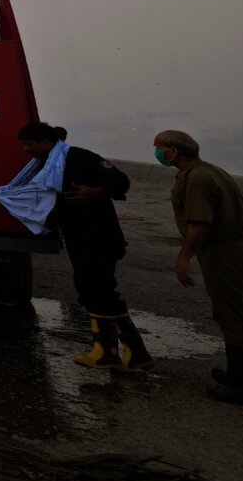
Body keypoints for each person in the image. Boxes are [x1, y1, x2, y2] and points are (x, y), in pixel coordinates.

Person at [15, 122, 151, 369]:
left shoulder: (79, 157)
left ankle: (115, 351)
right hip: (79, 238)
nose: (25, 150)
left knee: (97, 290)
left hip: (99, 238)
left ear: (44, 142)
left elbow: (120, 180)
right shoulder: (47, 165)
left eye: (29, 144)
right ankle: (125, 352)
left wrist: (95, 192)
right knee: (93, 290)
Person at [151, 129, 243, 401]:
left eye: (159, 148)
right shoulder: (211, 171)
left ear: (173, 152)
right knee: (239, 310)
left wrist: (184, 258)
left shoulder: (197, 178)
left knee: (232, 314)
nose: (157, 152)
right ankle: (236, 374)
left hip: (222, 252)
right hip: (236, 247)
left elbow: (199, 225)